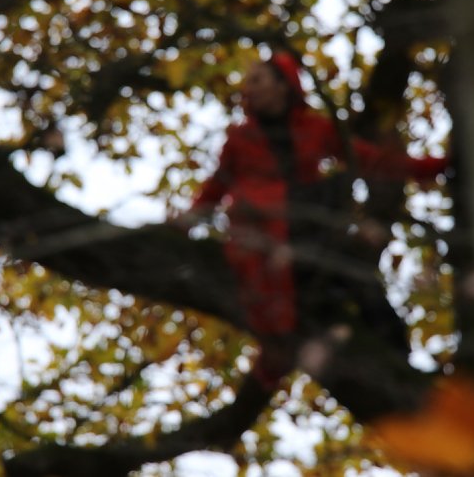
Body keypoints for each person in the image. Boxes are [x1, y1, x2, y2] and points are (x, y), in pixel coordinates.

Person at [186, 52, 447, 387]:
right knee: (336, 272)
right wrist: (181, 223)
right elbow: (213, 191)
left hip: (310, 233)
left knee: (358, 279)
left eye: (257, 79)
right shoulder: (240, 138)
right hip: (265, 240)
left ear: (283, 85)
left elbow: (373, 160)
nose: (247, 88)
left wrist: (435, 166)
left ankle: (399, 359)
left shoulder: (314, 128)